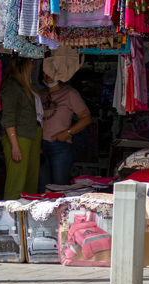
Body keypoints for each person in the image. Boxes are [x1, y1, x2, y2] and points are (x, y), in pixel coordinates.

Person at [39, 46, 91, 188]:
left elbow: (86, 118)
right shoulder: (40, 94)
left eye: (51, 72)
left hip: (60, 146)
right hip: (40, 146)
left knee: (59, 188)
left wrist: (67, 133)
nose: (47, 75)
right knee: (43, 189)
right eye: (45, 72)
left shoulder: (70, 93)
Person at [0, 57, 43, 200]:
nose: (33, 66)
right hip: (18, 137)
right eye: (31, 63)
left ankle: (28, 218)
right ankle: (11, 218)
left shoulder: (25, 85)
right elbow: (8, 117)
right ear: (23, 65)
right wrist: (15, 145)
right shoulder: (11, 86)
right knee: (16, 183)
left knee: (30, 183)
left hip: (30, 135)